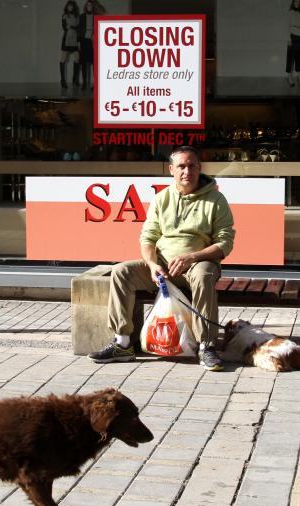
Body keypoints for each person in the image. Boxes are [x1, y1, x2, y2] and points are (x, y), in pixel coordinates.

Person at [89, 146, 236, 371]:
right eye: (181, 166)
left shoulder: (216, 199)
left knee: (203, 275)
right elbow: (147, 238)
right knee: (121, 272)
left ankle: (206, 346)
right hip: (164, 267)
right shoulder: (161, 198)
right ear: (171, 170)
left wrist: (192, 257)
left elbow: (225, 242)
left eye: (192, 166)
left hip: (197, 265)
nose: (187, 171)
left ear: (199, 168)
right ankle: (123, 343)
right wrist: (152, 264)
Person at [77, 0, 106, 90]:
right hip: (84, 41)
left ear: (93, 7)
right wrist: (78, 42)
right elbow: (79, 30)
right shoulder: (82, 17)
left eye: (91, 5)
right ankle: (85, 83)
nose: (89, 6)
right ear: (86, 6)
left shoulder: (96, 16)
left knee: (94, 63)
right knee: (84, 63)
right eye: (88, 5)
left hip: (93, 42)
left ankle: (95, 84)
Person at [285, 0, 300, 87]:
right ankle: (289, 76)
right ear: (293, 3)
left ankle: (299, 74)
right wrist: (289, 38)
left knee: (299, 56)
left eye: (298, 2)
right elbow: (287, 26)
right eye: (295, 2)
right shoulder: (290, 12)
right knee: (290, 57)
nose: (297, 3)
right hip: (293, 36)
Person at [60, 1, 80, 89]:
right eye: (69, 6)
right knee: (63, 58)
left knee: (77, 58)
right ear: (67, 7)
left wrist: (70, 26)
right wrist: (71, 26)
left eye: (71, 6)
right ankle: (62, 80)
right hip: (67, 38)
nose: (70, 8)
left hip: (74, 39)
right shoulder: (64, 16)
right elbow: (64, 28)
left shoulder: (76, 16)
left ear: (73, 7)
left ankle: (75, 79)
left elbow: (77, 27)